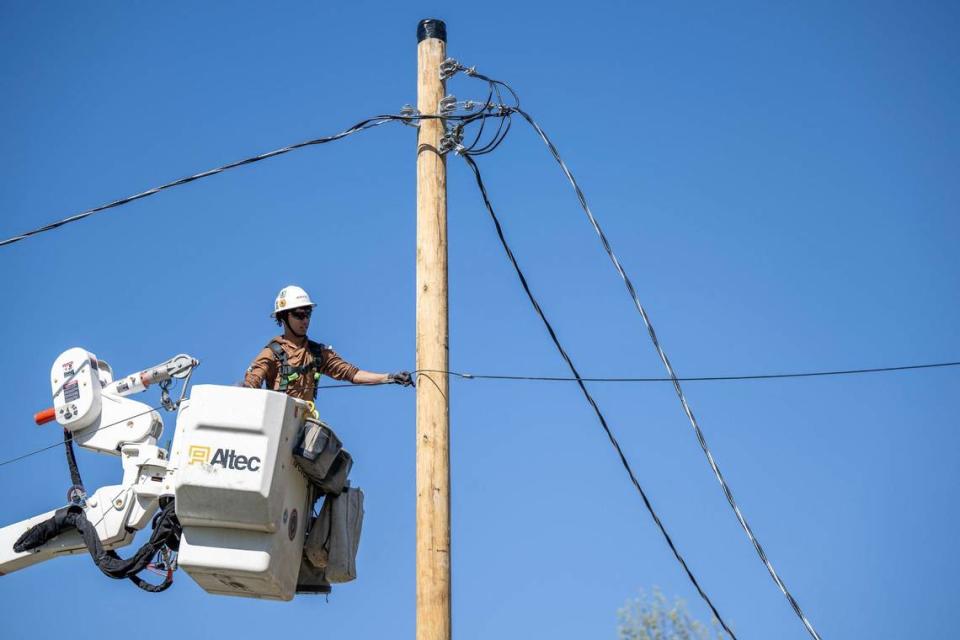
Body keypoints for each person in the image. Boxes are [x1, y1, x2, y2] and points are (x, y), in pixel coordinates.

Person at [244, 285, 413, 400]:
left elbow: (352, 374)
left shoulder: (317, 353)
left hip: (302, 426)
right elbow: (251, 383)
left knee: (338, 453)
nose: (305, 320)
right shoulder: (272, 352)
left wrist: (389, 377)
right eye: (299, 314)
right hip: (278, 421)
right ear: (283, 317)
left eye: (308, 313)